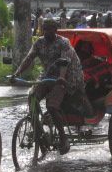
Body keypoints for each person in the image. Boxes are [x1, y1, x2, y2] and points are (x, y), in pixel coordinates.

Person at [12, 20, 87, 154]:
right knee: (32, 97)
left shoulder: (63, 43)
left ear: (56, 30)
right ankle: (40, 135)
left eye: (50, 29)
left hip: (67, 77)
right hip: (48, 75)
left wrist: (61, 77)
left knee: (52, 106)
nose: (47, 32)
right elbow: (29, 58)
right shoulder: (39, 42)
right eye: (45, 29)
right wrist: (16, 73)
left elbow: (64, 63)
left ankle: (63, 138)